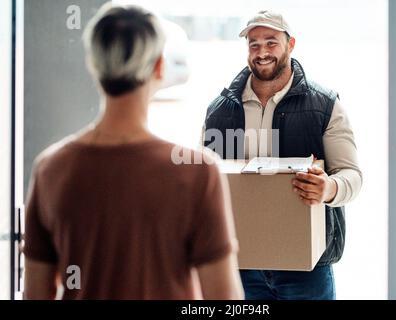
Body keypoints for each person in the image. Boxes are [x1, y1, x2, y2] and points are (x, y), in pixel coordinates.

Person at [23, 4, 244, 300]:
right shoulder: (197, 172)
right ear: (159, 67)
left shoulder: (50, 169)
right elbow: (224, 299)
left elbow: (36, 294)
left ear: (94, 65)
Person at [202, 10, 362, 300]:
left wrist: (328, 188)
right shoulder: (219, 111)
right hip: (241, 268)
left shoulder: (325, 105)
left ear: (291, 45)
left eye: (271, 42)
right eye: (254, 44)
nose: (262, 52)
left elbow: (352, 176)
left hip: (306, 269)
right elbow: (206, 183)